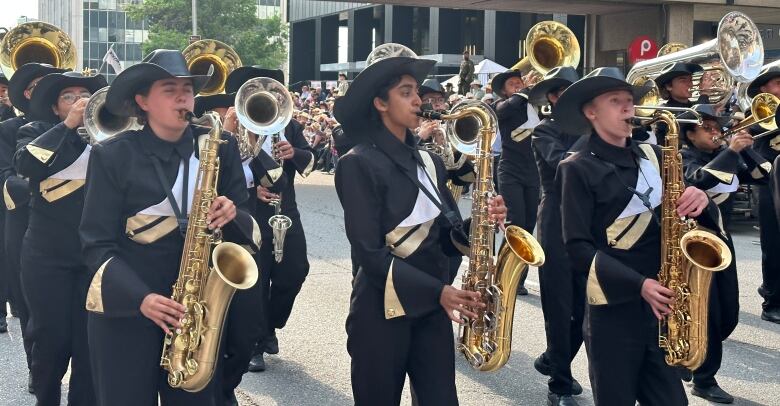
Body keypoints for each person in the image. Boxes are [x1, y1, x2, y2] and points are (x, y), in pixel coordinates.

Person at [80, 49, 260, 406]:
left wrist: (233, 213)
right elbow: (95, 243)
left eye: (188, 89)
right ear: (142, 101)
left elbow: (252, 230)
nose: (183, 97)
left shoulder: (219, 148)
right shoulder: (113, 155)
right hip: (128, 311)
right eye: (169, 89)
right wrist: (141, 298)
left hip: (196, 315)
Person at [332, 43, 506, 405]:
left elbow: (446, 236)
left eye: (417, 93)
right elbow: (369, 253)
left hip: (431, 309)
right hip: (381, 312)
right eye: (406, 92)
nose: (418, 101)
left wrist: (481, 222)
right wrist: (439, 292)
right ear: (380, 103)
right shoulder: (357, 163)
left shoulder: (430, 162)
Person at [554, 67, 716, 405]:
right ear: (591, 112)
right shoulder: (577, 167)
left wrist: (701, 199)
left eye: (630, 101)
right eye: (616, 102)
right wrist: (639, 285)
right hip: (613, 310)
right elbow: (578, 249)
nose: (628, 108)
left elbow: (686, 214)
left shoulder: (656, 157)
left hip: (664, 307)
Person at [14, 70, 106, 406]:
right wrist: (68, 125)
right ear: (55, 108)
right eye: (69, 96)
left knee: (89, 343)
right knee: (50, 340)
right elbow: (26, 165)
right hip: (46, 255)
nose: (80, 101)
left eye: (85, 94)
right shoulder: (36, 131)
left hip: (93, 256)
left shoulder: (107, 134)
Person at [223, 66, 314, 375]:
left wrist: (294, 153)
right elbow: (224, 177)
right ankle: (256, 344)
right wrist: (251, 191)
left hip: (285, 210)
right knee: (258, 278)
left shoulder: (287, 126)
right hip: (251, 213)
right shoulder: (232, 131)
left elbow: (310, 160)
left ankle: (270, 324)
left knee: (296, 271)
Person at [679, 104, 770, 403]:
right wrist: (730, 150)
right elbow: (698, 181)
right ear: (690, 134)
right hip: (692, 243)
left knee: (728, 310)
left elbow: (762, 175)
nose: (716, 131)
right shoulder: (684, 156)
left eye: (718, 126)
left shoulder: (721, 155)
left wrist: (745, 148)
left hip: (721, 241)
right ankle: (704, 378)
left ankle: (690, 361)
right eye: (707, 127)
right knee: (709, 312)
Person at [0, 62, 66, 393]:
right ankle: (36, 367)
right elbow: (7, 181)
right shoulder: (10, 128)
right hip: (25, 226)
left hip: (71, 229)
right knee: (31, 306)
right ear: (27, 94)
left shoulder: (83, 127)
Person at [527, 66, 586, 406]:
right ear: (553, 97)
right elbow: (564, 164)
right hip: (556, 221)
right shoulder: (544, 131)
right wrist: (593, 129)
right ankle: (560, 383)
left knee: (586, 306)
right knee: (560, 306)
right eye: (570, 91)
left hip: (591, 223)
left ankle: (553, 357)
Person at [493, 68, 541, 295]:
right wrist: (524, 92)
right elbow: (502, 111)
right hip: (510, 171)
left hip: (533, 173)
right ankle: (502, 273)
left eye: (520, 83)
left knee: (529, 226)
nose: (519, 85)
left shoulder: (536, 106)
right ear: (504, 90)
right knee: (516, 223)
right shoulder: (504, 106)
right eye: (513, 84)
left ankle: (519, 279)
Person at [747, 63, 780, 324]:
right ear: (764, 89)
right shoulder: (757, 113)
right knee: (773, 243)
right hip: (768, 183)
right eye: (778, 84)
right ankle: (772, 302)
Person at [416, 78, 475, 199]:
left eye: (440, 100)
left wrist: (451, 149)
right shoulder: (410, 131)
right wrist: (420, 138)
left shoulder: (450, 133)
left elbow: (464, 180)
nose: (437, 104)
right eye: (430, 100)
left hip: (446, 202)